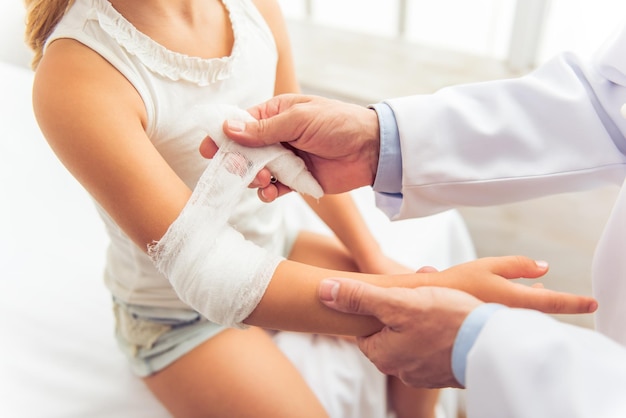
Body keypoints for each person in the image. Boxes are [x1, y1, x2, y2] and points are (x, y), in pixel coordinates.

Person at [26, 0, 597, 417]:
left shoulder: (248, 7)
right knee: (422, 302)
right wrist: (432, 292)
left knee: (420, 338)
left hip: (274, 246)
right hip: (178, 319)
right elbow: (209, 270)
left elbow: (299, 155)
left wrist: (374, 259)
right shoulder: (76, 75)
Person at [202, 20, 626, 417]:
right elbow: (608, 104)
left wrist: (474, 335)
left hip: (270, 243)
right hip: (185, 304)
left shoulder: (258, 12)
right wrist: (375, 142)